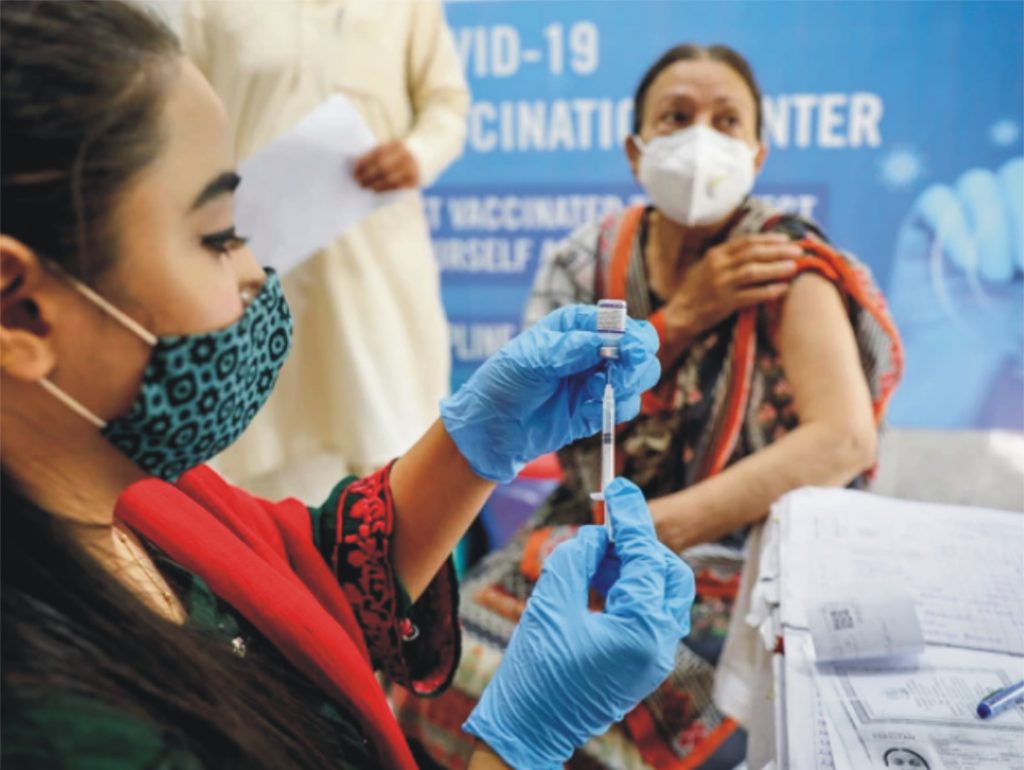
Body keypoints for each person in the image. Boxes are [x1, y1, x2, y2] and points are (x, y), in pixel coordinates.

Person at [0, 4, 691, 769]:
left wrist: (470, 446)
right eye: (217, 237)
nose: (255, 272)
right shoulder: (55, 725)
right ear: (21, 311)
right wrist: (523, 742)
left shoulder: (136, 499)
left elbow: (296, 590)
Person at [394, 44, 903, 769]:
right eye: (676, 116)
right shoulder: (587, 260)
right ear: (637, 151)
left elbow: (843, 441)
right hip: (584, 524)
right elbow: (548, 417)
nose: (701, 139)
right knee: (437, 663)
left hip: (741, 556)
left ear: (757, 154)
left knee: (659, 703)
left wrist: (661, 527)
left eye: (727, 121)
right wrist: (682, 317)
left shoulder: (784, 263)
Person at [180, 0, 470, 501]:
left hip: (376, 271)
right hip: (254, 273)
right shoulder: (206, 7)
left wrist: (415, 155)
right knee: (260, 461)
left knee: (390, 453)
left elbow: (447, 105)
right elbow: (180, 119)